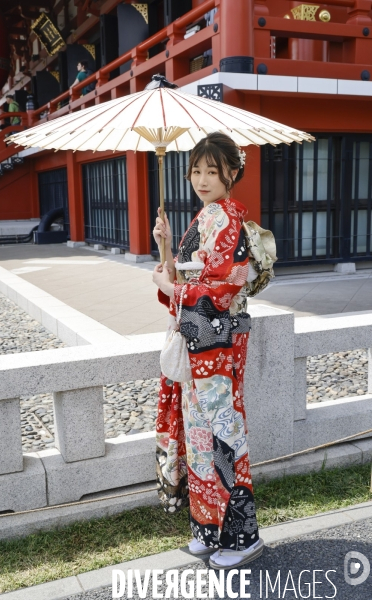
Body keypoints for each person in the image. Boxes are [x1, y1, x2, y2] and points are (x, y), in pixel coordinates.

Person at [152, 132, 263, 570]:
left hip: (216, 350)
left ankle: (242, 536)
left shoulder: (229, 223)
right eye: (195, 170)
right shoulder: (203, 219)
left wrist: (171, 287)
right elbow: (182, 278)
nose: (201, 178)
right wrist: (164, 246)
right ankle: (206, 530)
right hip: (200, 351)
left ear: (231, 173)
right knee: (199, 442)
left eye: (211, 171)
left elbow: (218, 292)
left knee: (223, 440)